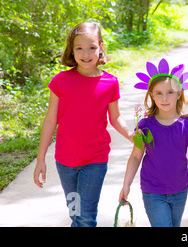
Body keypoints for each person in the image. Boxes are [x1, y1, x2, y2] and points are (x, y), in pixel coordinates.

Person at [33, 22, 134, 227]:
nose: (86, 54)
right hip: (65, 161)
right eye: (79, 48)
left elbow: (115, 118)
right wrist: (40, 158)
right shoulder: (60, 81)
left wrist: (133, 137)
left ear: (101, 48)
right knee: (75, 214)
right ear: (71, 50)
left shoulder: (110, 82)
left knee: (86, 216)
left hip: (95, 160)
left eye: (92, 48)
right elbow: (50, 120)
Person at [119, 59, 188, 227]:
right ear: (152, 95)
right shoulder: (145, 125)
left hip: (180, 189)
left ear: (179, 94)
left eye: (170, 92)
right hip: (153, 190)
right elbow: (135, 157)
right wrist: (126, 185)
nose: (165, 98)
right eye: (159, 93)